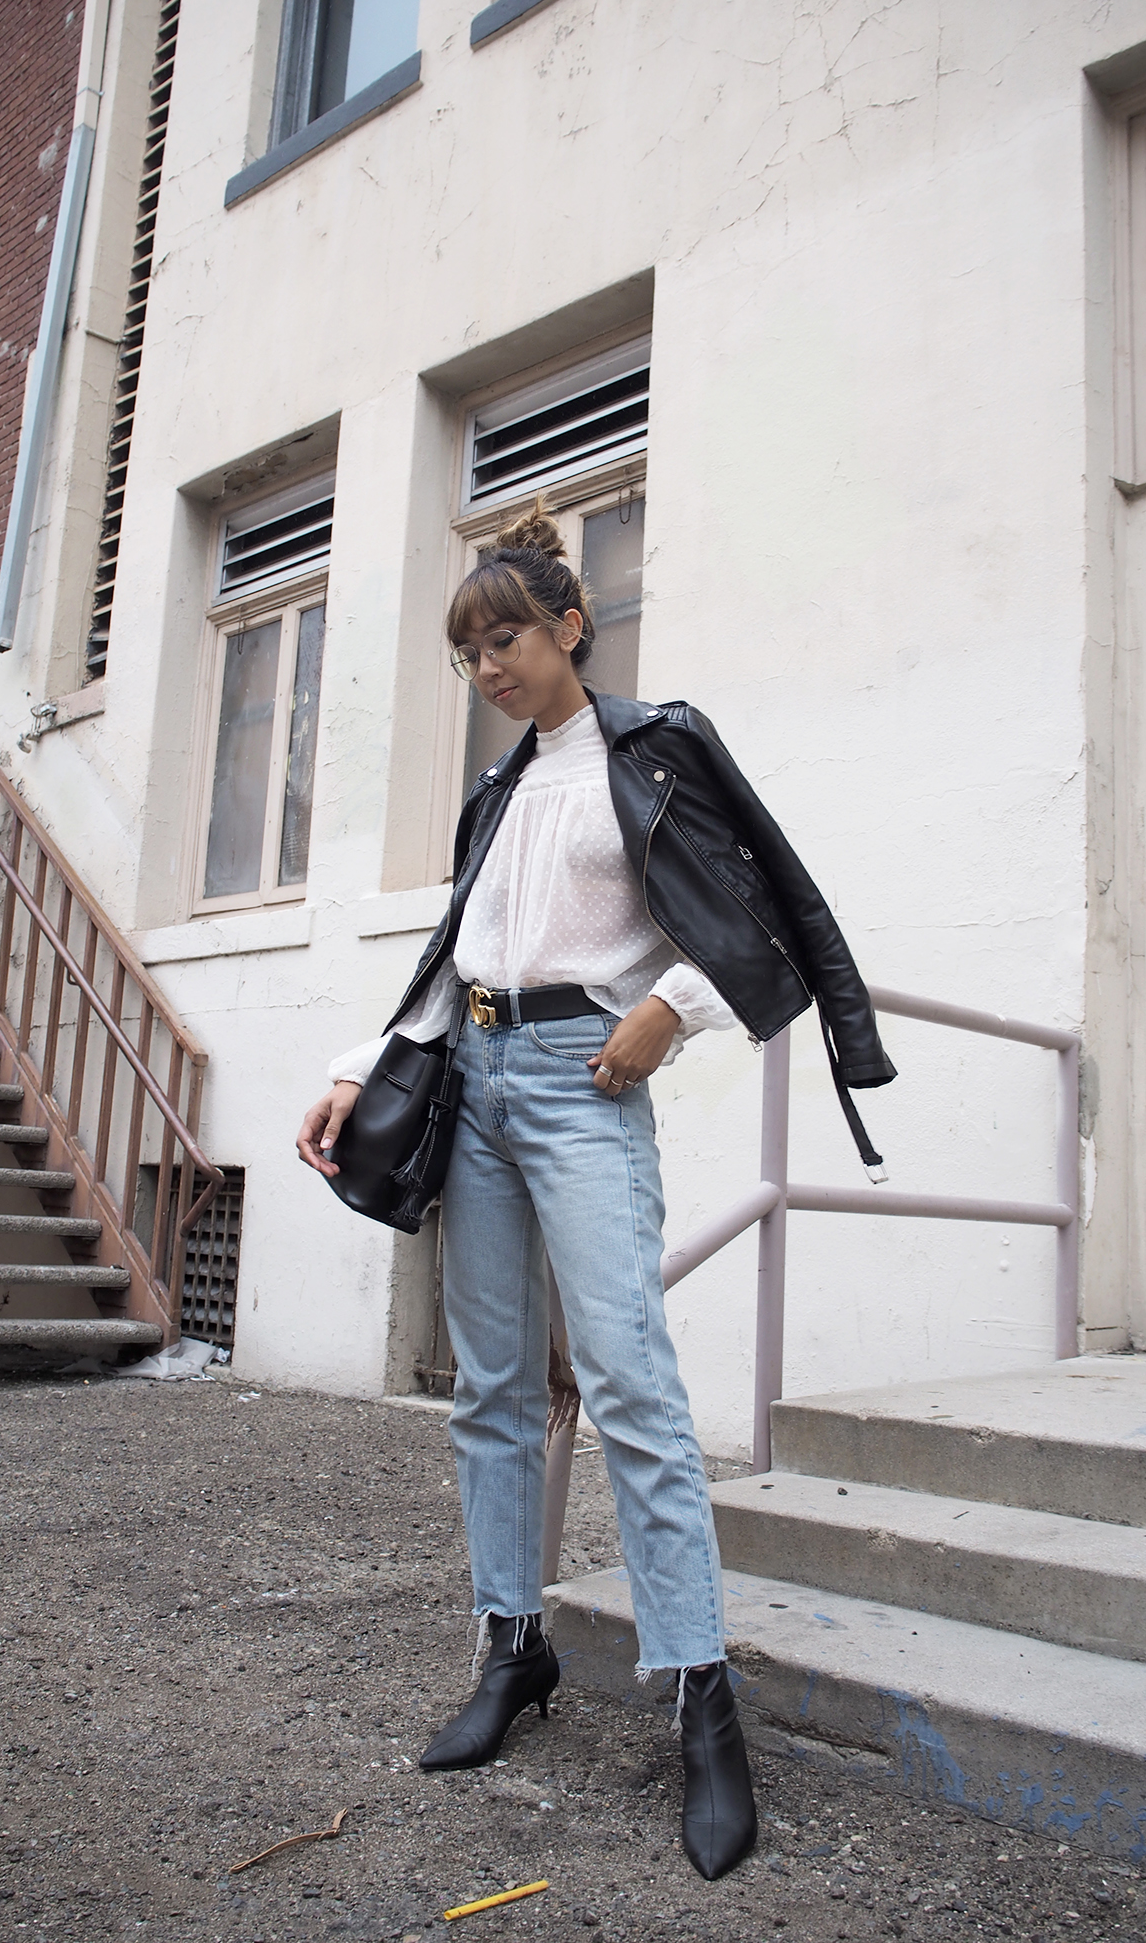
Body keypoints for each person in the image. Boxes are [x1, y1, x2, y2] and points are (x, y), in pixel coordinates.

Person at [296, 502, 895, 1881]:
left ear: (570, 626)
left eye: (503, 637)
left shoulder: (656, 748)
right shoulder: (500, 791)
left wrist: (670, 1010)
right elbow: (461, 956)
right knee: (494, 1388)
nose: (488, 667)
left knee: (629, 1381)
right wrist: (353, 1066)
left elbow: (754, 916)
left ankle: (701, 1697)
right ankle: (515, 1648)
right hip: (483, 1081)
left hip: (586, 1080)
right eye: (467, 653)